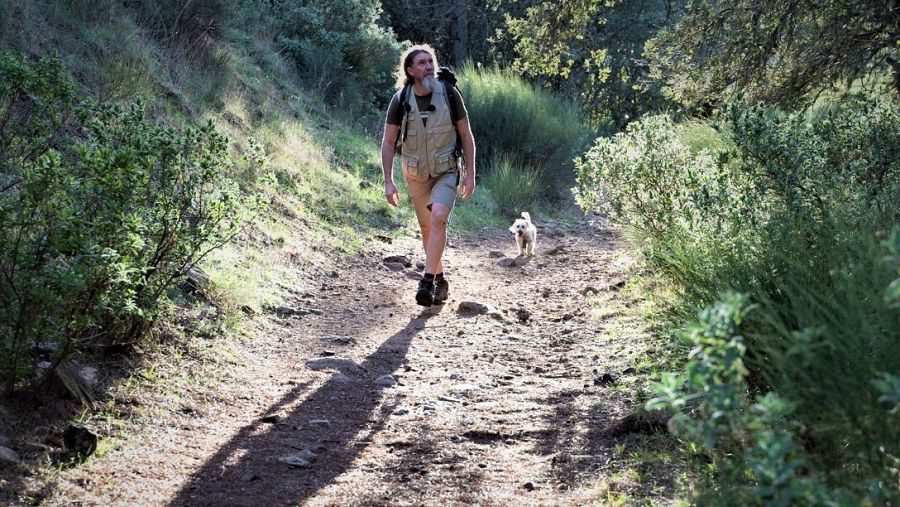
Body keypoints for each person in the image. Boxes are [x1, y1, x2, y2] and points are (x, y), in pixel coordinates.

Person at [381, 44, 476, 307]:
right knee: (427, 228)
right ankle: (440, 280)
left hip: (446, 169)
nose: (429, 66)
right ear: (410, 70)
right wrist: (388, 181)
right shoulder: (400, 99)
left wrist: (470, 174)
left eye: (431, 61)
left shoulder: (449, 94)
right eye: (422, 63)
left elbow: (466, 135)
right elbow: (389, 143)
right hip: (415, 173)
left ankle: (425, 281)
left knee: (439, 217)